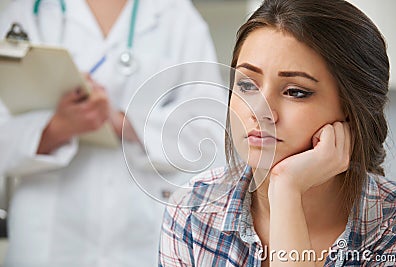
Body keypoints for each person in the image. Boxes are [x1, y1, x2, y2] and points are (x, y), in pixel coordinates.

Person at [159, 0, 396, 266]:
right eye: (247, 85)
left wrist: (286, 189)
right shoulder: (193, 211)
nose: (261, 111)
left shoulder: (392, 229)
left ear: (350, 110)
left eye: (295, 92)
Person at [0, 0, 227, 266]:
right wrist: (58, 128)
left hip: (142, 234)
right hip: (48, 236)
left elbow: (210, 133)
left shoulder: (176, 15)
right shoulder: (28, 11)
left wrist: (121, 121)